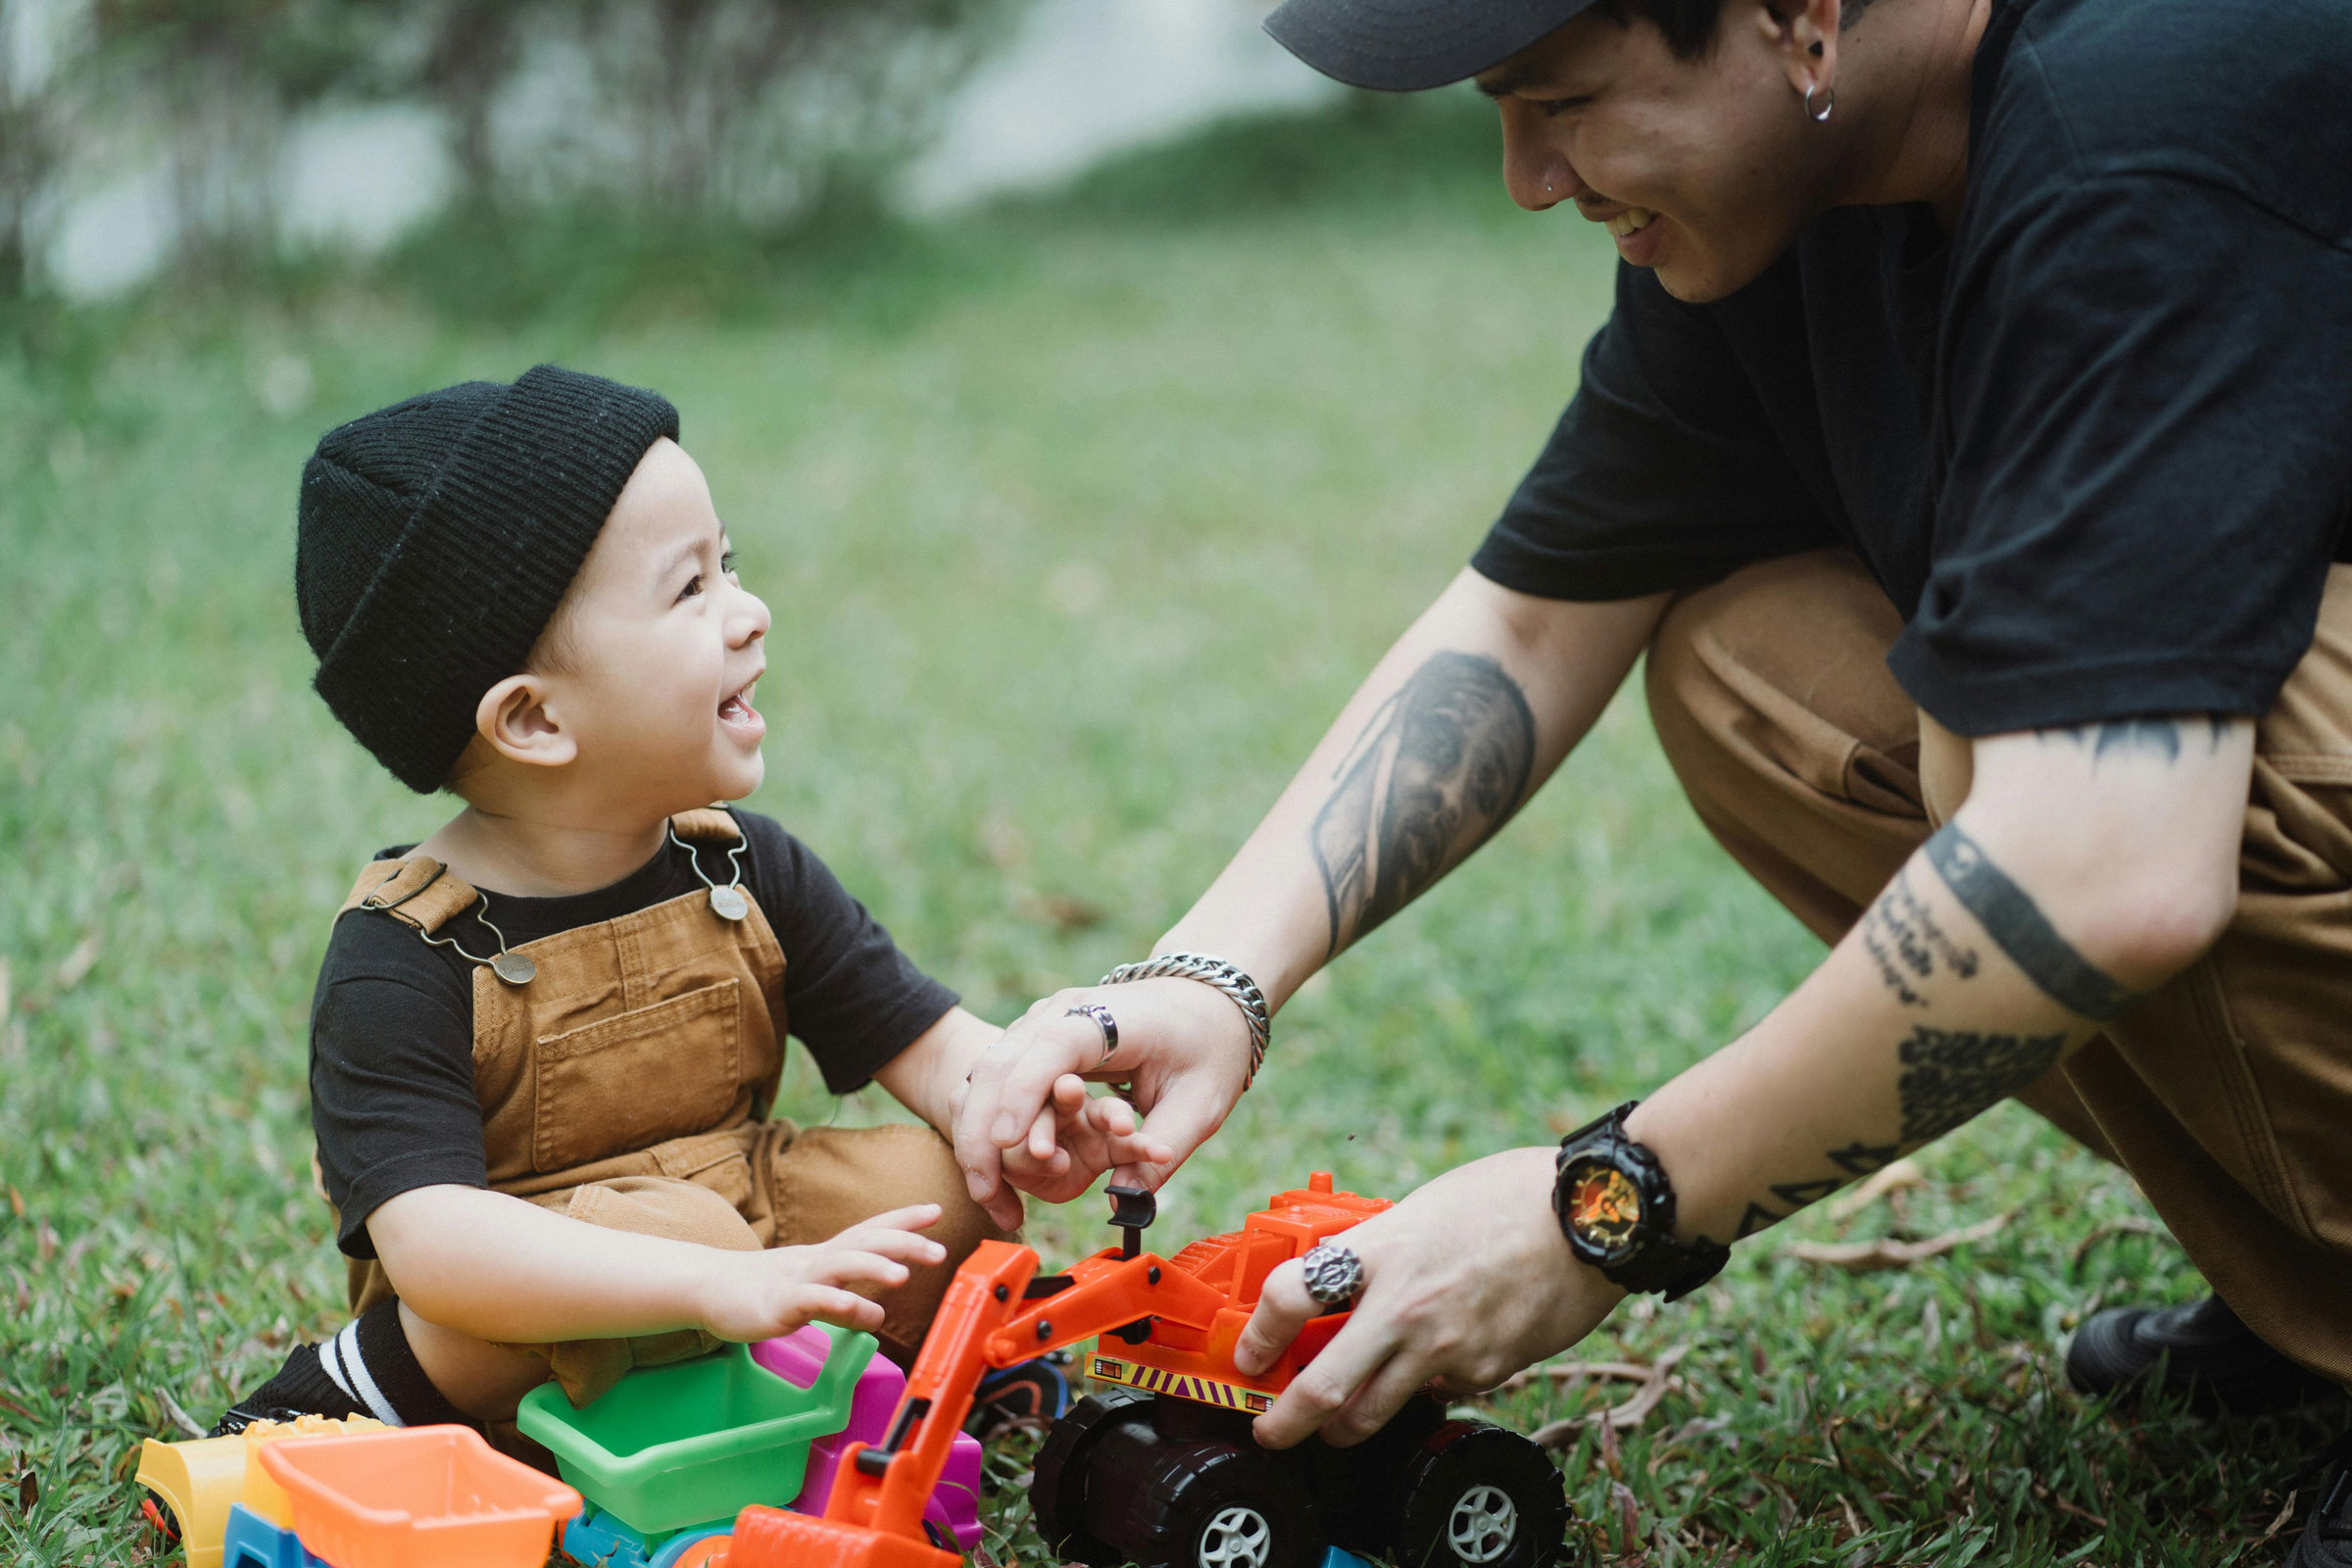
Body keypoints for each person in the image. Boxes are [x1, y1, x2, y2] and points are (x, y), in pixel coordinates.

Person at [954, 0, 2352, 1558]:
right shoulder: (1803, 192)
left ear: (1799, 17)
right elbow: (1536, 617)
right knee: (1757, 668)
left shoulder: (2140, 131)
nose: (1527, 180)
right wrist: (1214, 976)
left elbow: (2104, 863)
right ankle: (2317, 1282)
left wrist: (1601, 1208)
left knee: (2068, 753)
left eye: (1561, 101)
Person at [215, 366, 1161, 1438]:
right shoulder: (404, 957)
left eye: (731, 565)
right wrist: (708, 1281)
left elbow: (926, 1040)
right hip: (518, 1299)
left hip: (737, 1221)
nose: (751, 613)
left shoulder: (740, 870)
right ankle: (355, 1387)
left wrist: (1012, 1101)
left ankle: (873, 1378)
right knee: (688, 1241)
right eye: (690, 590)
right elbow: (435, 1243)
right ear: (533, 721)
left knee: (934, 1189)